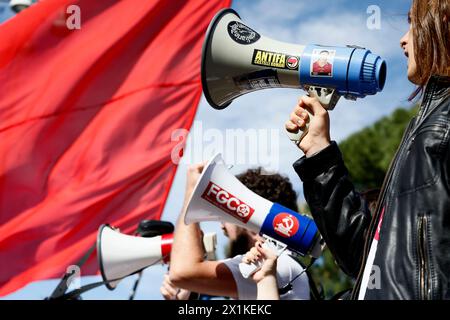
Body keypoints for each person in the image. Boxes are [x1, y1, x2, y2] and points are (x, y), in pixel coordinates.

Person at [285, 0, 450, 299]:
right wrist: (319, 154)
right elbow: (365, 256)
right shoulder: (422, 128)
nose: (403, 38)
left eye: (414, 22)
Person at [168, 165, 311, 300]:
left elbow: (182, 272)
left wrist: (192, 190)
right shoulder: (278, 267)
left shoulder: (277, 266)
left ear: (253, 226)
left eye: (225, 216)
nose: (222, 226)